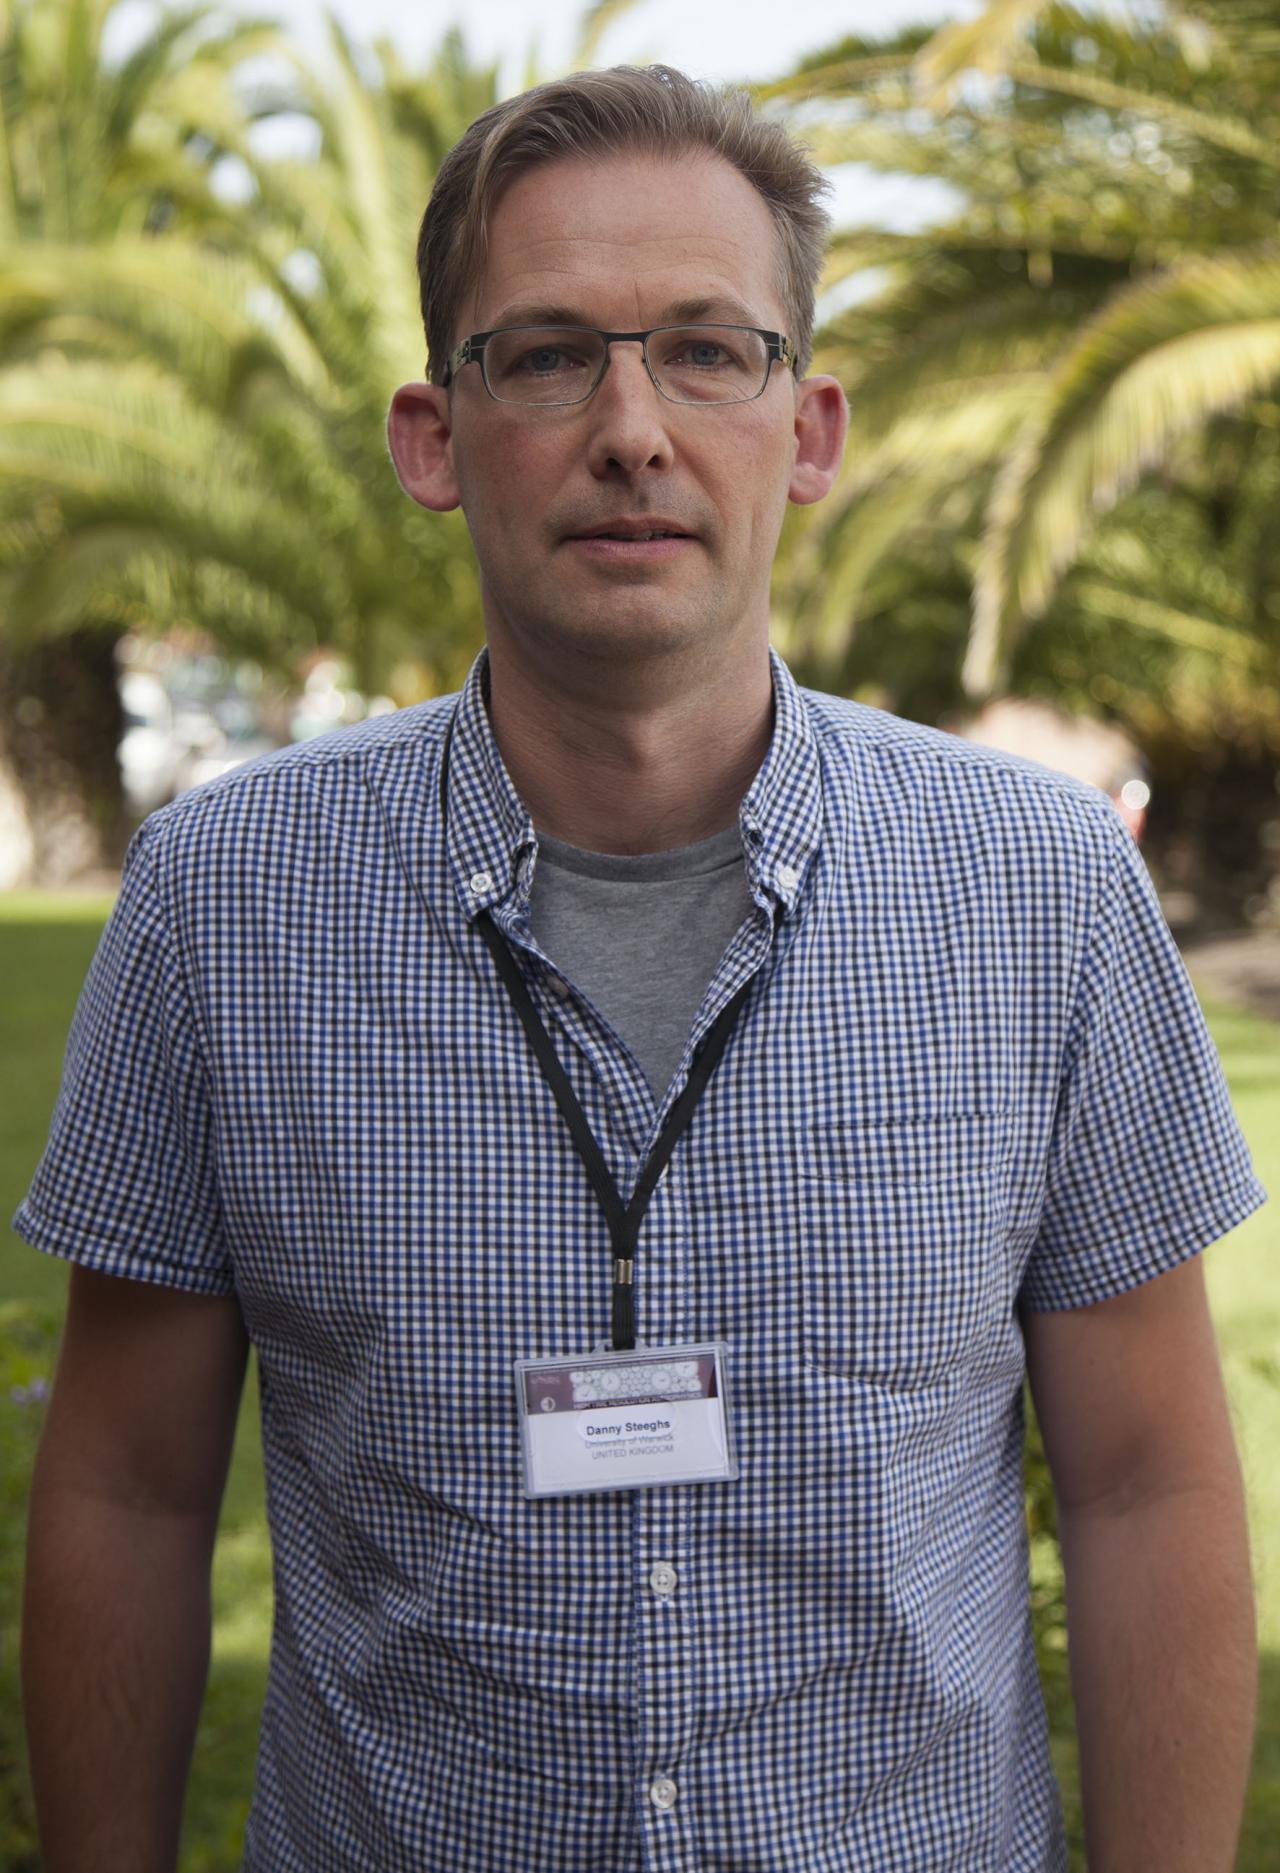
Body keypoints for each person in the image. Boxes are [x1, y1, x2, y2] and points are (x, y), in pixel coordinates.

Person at [17, 63, 1263, 1873]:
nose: (633, 427)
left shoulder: (1043, 892)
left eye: (706, 348)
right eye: (545, 355)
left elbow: (1150, 1483)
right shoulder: (227, 900)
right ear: (433, 437)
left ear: (811, 428)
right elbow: (128, 1490)